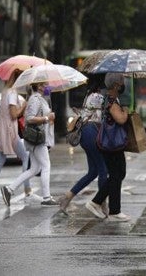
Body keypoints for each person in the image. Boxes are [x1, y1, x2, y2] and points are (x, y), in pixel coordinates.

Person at [84, 72, 130, 222]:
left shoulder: (109, 99)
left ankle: (105, 206)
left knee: (118, 174)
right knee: (117, 174)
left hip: (110, 143)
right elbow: (121, 119)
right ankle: (104, 206)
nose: (124, 84)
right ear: (116, 85)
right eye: (122, 82)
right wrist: (126, 110)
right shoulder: (111, 101)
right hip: (112, 143)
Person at [1, 82, 56, 206]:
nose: (46, 86)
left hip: (36, 139)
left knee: (34, 168)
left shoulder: (38, 99)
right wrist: (47, 118)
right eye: (44, 84)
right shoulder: (35, 99)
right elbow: (30, 118)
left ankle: (9, 189)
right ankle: (46, 197)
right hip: (36, 139)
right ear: (39, 86)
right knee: (46, 165)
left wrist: (48, 116)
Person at [59, 76, 108, 214]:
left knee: (93, 172)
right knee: (103, 170)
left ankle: (67, 197)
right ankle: (101, 202)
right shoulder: (99, 97)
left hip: (85, 134)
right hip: (92, 133)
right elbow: (104, 115)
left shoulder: (88, 95)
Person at [0, 69, 33, 204]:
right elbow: (14, 115)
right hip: (9, 131)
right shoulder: (12, 94)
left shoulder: (6, 91)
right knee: (25, 157)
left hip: (2, 129)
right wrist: (23, 106)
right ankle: (28, 190)